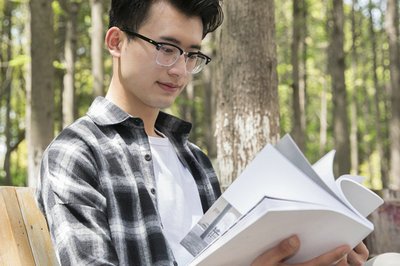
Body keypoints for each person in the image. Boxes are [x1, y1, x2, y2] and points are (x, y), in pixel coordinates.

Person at [35, 0, 369, 265]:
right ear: (116, 42)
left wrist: (324, 250)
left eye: (192, 54)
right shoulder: (77, 154)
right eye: (166, 48)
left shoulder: (194, 160)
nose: (180, 70)